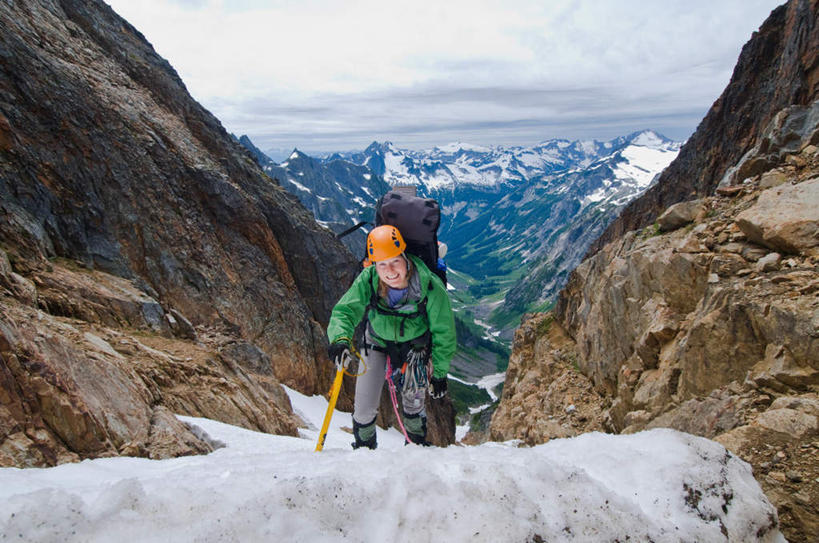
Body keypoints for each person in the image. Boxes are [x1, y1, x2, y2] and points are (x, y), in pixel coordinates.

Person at [326, 225, 456, 449]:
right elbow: (345, 312)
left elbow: (444, 332)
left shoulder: (429, 286)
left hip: (414, 347)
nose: (390, 271)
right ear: (374, 265)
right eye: (382, 264)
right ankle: (364, 453)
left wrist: (440, 373)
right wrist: (340, 339)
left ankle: (414, 450)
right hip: (376, 341)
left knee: (413, 404)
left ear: (405, 257)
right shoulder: (369, 279)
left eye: (395, 261)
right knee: (364, 408)